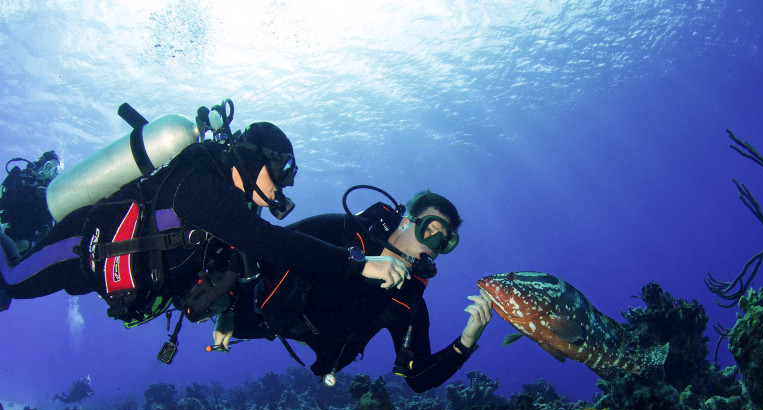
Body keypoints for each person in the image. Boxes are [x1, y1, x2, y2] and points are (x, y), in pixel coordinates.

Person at [0, 122, 410, 333]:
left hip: (106, 274)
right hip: (79, 245)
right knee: (12, 281)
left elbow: (230, 267)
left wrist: (225, 317)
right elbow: (271, 243)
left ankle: (19, 229)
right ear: (256, 159)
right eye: (282, 170)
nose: (283, 185)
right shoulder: (200, 187)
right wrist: (358, 264)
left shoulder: (232, 210)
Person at [220, 190, 493, 392]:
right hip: (250, 305)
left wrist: (466, 342)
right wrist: (227, 308)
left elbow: (418, 379)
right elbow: (265, 244)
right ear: (405, 223)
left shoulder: (407, 301)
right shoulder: (344, 231)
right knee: (209, 300)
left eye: (443, 241)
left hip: (299, 335)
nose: (433, 246)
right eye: (430, 230)